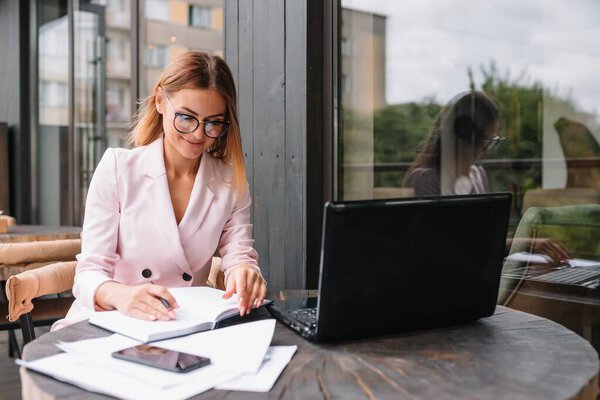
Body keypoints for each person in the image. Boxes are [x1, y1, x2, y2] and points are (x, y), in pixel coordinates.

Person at [53, 51, 266, 330]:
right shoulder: (118, 168)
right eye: (187, 118)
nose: (199, 134)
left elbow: (239, 255)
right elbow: (88, 273)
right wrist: (123, 295)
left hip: (186, 325)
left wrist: (245, 272)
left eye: (213, 123)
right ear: (160, 103)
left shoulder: (230, 180)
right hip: (110, 322)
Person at [403, 90, 570, 264]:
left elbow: (482, 243)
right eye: (484, 142)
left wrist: (527, 244)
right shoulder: (425, 179)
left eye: (492, 141)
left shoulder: (477, 174)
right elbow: (445, 247)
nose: (486, 150)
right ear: (460, 137)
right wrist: (525, 244)